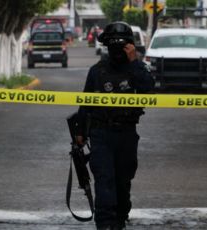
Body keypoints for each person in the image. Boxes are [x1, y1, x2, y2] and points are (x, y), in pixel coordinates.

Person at [76, 22, 154, 230]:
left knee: (122, 182)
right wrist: (80, 132)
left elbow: (147, 89)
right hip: (101, 133)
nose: (117, 49)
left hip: (127, 134)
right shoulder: (97, 71)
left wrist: (134, 61)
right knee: (104, 181)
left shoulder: (137, 69)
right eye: (114, 45)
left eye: (122, 44)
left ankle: (119, 220)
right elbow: (86, 102)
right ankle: (105, 224)